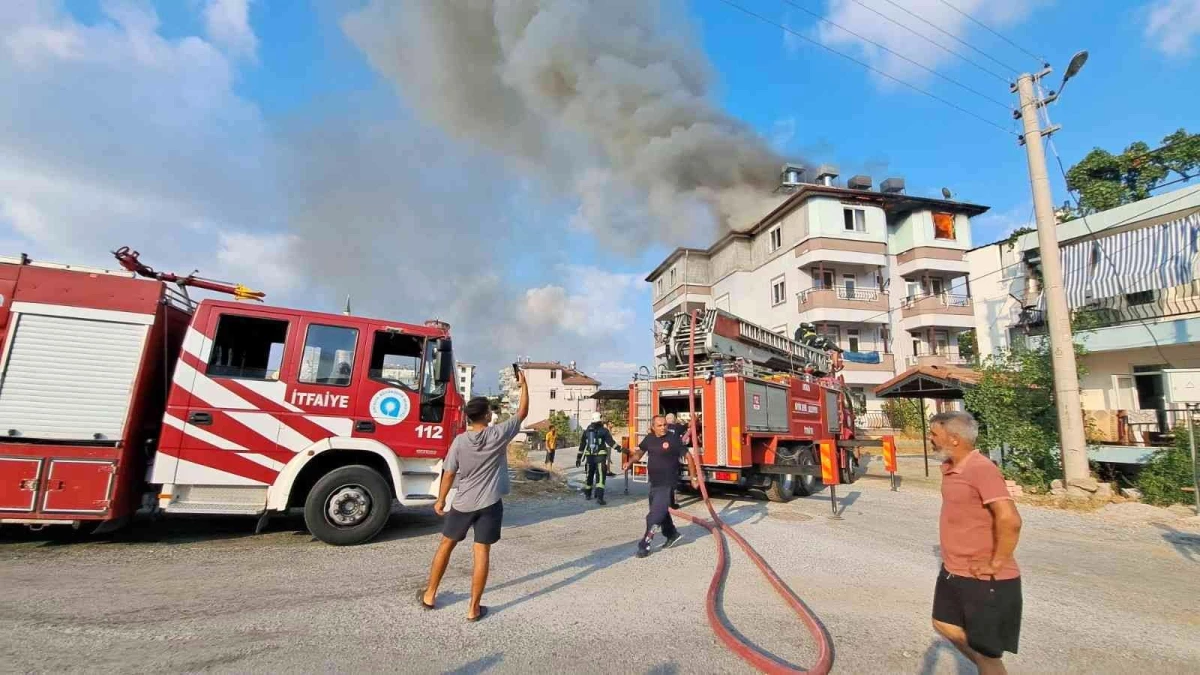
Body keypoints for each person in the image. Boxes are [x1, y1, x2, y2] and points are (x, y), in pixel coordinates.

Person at [418, 370, 529, 622]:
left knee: (446, 545)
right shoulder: (497, 435)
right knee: (481, 553)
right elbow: (522, 413)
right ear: (488, 416)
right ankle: (473, 608)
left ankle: (430, 594)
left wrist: (441, 499)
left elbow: (448, 473)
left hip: (463, 503)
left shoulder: (459, 442)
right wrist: (524, 385)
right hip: (490, 504)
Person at [929, 411, 1023, 675]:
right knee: (942, 623)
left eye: (935, 434)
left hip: (983, 578)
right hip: (955, 570)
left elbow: (1010, 519)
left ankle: (988, 666)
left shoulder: (980, 469)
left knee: (987, 654)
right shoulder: (951, 468)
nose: (930, 439)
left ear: (955, 439)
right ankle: (986, 665)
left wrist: (997, 562)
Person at [624, 415, 699, 558]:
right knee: (660, 511)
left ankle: (644, 545)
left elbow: (689, 457)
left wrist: (693, 477)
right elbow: (640, 452)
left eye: (664, 424)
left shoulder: (674, 439)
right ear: (653, 427)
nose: (663, 427)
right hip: (655, 483)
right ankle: (672, 534)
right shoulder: (649, 439)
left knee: (654, 516)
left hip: (667, 483)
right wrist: (630, 462)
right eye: (659, 425)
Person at [576, 412, 616, 505]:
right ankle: (600, 497)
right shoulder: (604, 431)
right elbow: (611, 443)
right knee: (600, 477)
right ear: (600, 419)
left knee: (589, 475)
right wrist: (622, 449)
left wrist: (578, 458)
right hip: (600, 457)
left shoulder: (586, 431)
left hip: (589, 457)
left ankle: (588, 494)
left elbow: (582, 446)